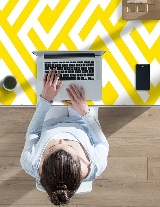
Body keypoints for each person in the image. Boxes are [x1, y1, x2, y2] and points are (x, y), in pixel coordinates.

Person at [21, 68, 109, 205]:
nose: (61, 139)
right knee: (87, 80)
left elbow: (33, 133)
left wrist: (45, 100)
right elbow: (101, 143)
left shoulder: (30, 163)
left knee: (50, 84)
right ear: (81, 163)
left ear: (42, 165)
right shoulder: (96, 165)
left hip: (50, 122)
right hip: (82, 121)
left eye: (53, 147)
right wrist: (85, 112)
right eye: (69, 146)